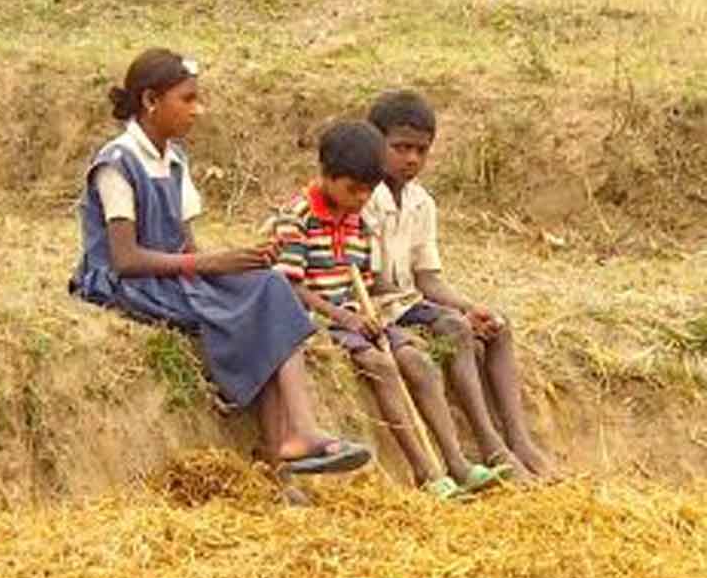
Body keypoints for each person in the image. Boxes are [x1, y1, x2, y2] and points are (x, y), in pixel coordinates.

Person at [72, 48, 370, 478]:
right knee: (251, 313)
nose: (198, 110)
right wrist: (216, 263)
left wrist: (237, 264)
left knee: (269, 286)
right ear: (151, 101)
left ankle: (294, 439)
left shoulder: (174, 160)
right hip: (128, 283)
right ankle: (288, 446)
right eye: (188, 99)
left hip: (170, 274)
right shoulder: (116, 163)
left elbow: (186, 245)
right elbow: (126, 258)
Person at [271, 119, 509, 499]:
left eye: (368, 192)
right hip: (316, 320)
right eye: (352, 190)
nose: (360, 200)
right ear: (326, 175)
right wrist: (344, 317)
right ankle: (425, 471)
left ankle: (456, 462)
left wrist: (368, 317)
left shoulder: (358, 220)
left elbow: (364, 282)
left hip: (358, 315)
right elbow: (287, 286)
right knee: (381, 365)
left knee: (419, 362)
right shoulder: (296, 217)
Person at [364, 88, 554, 479]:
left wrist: (470, 307)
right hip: (377, 308)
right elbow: (371, 283)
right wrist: (455, 316)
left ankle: (520, 439)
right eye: (400, 147)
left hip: (409, 303)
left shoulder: (421, 202)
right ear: (375, 143)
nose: (411, 159)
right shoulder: (363, 198)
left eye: (421, 150)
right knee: (454, 328)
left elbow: (427, 279)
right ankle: (491, 444)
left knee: (496, 326)